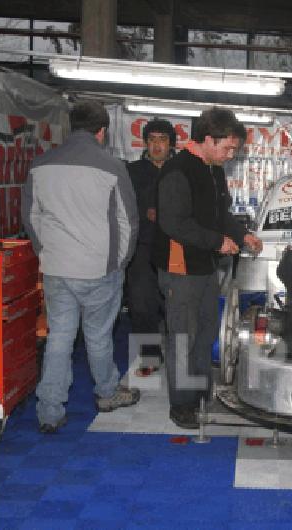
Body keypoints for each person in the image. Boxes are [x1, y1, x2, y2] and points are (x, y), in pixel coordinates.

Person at [22, 100, 141, 434]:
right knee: (99, 336)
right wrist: (119, 262)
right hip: (98, 268)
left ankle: (49, 411)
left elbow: (31, 219)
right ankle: (106, 393)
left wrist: (47, 252)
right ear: (102, 132)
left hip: (58, 267)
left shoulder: (40, 164)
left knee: (59, 338)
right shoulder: (112, 167)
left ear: (72, 126)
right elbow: (128, 222)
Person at [153, 107, 262, 429]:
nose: (230, 155)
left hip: (204, 267)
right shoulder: (177, 171)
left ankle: (200, 391)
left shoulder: (213, 170)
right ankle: (182, 404)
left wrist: (242, 235)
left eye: (234, 150)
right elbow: (173, 223)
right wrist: (216, 242)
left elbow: (221, 214)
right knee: (183, 338)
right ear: (207, 140)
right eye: (227, 148)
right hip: (179, 268)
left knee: (205, 332)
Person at [125, 118, 176, 369]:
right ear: (145, 143)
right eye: (152, 140)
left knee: (176, 306)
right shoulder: (132, 172)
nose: (157, 146)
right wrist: (144, 211)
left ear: (171, 144)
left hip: (176, 248)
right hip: (142, 248)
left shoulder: (181, 170)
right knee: (141, 304)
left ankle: (180, 357)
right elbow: (121, 209)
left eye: (163, 140)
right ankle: (149, 356)